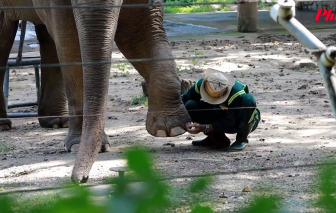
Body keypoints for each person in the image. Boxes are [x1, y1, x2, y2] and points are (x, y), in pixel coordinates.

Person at [181, 69, 260, 151]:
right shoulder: (200, 85)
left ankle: (242, 139)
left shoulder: (237, 94)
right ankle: (214, 138)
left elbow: (230, 122)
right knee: (190, 105)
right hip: (218, 111)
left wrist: (205, 127)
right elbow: (184, 98)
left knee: (248, 100)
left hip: (239, 120)